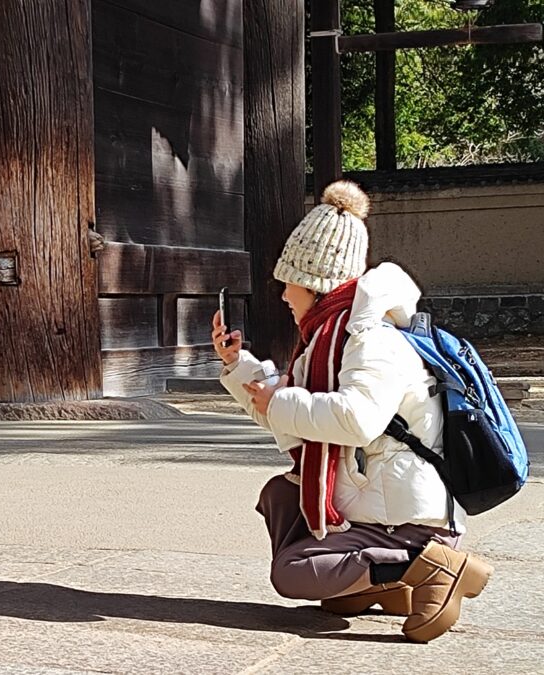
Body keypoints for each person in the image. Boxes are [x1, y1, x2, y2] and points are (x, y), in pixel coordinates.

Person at [212, 180, 492, 642]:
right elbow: (296, 425)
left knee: (292, 573)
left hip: (408, 523)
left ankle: (431, 568)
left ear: (316, 283)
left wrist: (281, 401)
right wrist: (239, 368)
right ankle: (388, 583)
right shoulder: (326, 340)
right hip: (375, 514)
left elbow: (358, 420)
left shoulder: (372, 341)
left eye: (289, 283)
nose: (283, 295)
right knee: (281, 495)